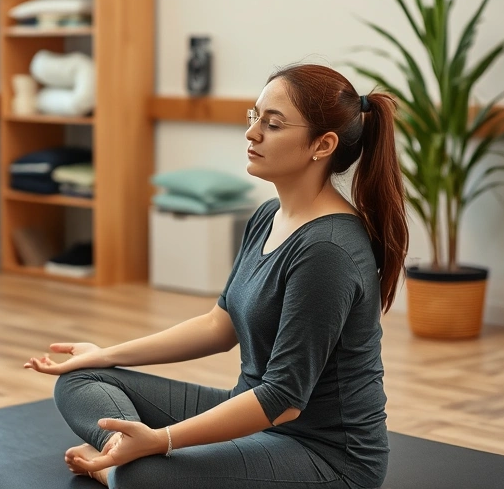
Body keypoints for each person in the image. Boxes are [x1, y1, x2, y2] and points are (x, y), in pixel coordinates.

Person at [24, 63, 409, 489]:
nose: (252, 133)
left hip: (327, 458)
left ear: (323, 144)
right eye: (254, 116)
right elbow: (217, 325)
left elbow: (282, 401)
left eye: (273, 124)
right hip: (250, 414)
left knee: (145, 477)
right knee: (80, 380)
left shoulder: (328, 250)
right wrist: (103, 355)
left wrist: (161, 442)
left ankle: (117, 466)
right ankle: (119, 454)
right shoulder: (267, 216)